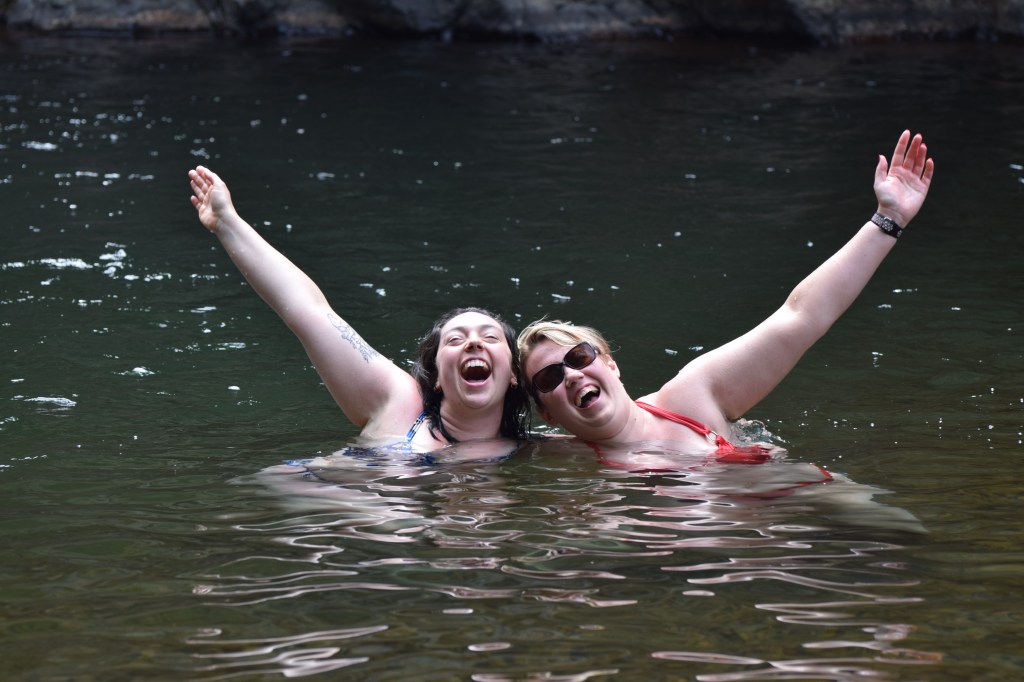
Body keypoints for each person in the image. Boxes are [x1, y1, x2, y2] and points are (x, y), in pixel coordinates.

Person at [517, 130, 935, 455]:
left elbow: (798, 318)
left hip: (805, 507)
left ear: (610, 364)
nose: (571, 375)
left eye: (579, 357)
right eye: (550, 377)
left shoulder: (691, 397)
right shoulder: (562, 459)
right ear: (547, 413)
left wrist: (888, 220)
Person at [188, 166, 530, 451]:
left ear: (514, 374)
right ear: (437, 376)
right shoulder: (401, 403)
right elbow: (308, 311)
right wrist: (227, 223)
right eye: (455, 340)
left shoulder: (537, 449)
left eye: (490, 337)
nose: (474, 343)